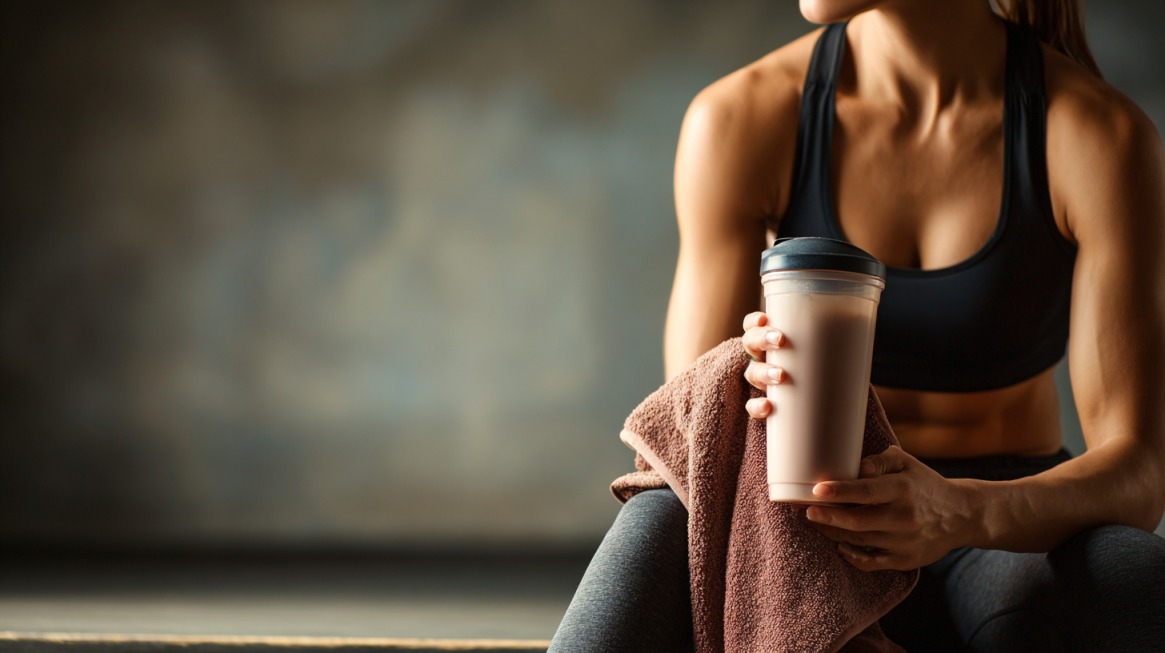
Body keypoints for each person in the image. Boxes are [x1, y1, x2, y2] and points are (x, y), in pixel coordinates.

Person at [548, 1, 1165, 651]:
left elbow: (1138, 474)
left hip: (1000, 538)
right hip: (803, 521)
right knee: (660, 518)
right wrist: (738, 373)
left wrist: (960, 511)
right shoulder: (741, 117)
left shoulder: (1097, 137)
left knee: (1132, 577)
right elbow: (697, 448)